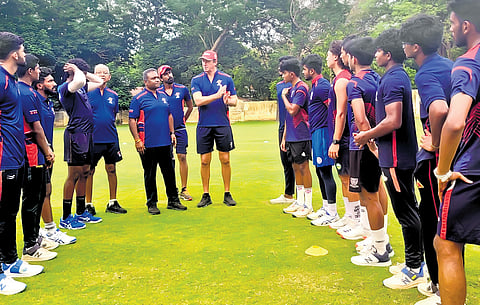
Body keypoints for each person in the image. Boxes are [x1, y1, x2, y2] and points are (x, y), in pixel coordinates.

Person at [354, 29, 424, 288]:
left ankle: (415, 268)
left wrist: (365, 135)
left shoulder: (394, 79)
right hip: (394, 155)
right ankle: (416, 262)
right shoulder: (394, 77)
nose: (375, 55)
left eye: (379, 51)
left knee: (407, 213)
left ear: (387, 54)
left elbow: (393, 120)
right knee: (409, 210)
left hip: (396, 158)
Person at [400, 14, 452, 304]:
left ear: (415, 47)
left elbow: (440, 110)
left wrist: (434, 142)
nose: (403, 47)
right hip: (460, 157)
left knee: (433, 225)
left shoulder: (427, 72)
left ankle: (441, 291)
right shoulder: (453, 66)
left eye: (406, 42)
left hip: (436, 163)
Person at [434, 1, 480, 304]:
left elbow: (454, 122)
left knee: (446, 244)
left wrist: (442, 169)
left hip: (472, 168)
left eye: (452, 23)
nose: (451, 30)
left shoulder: (468, 62)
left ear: (465, 25)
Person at [340, 37, 391, 267]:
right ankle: (381, 240)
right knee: (377, 190)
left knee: (367, 196)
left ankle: (380, 250)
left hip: (362, 145)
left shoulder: (355, 83)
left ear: (353, 58)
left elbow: (360, 119)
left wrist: (369, 143)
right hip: (379, 142)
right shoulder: (378, 78)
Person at [0, 31, 41, 295]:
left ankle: (11, 262)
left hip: (15, 157)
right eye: (23, 49)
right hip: (3, 159)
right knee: (1, 217)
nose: (25, 53)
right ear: (15, 53)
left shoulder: (10, 80)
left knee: (8, 213)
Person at [17, 54, 58, 262]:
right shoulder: (25, 93)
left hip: (36, 151)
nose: (40, 70)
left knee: (39, 194)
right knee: (32, 198)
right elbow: (36, 127)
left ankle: (35, 237)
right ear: (31, 71)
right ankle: (30, 246)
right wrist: (48, 150)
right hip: (31, 151)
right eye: (38, 67)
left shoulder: (28, 91)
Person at [129, 68, 186, 215]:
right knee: (150, 173)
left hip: (165, 142)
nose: (157, 80)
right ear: (145, 81)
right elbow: (132, 120)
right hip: (147, 143)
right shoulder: (139, 98)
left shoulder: (163, 95)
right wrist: (137, 140)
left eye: (157, 78)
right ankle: (152, 203)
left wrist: (172, 133)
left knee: (169, 172)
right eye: (153, 78)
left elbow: (169, 115)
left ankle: (173, 200)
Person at [33, 67, 77, 245]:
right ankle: (49, 230)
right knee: (43, 191)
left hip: (46, 152)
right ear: (39, 85)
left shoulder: (48, 103)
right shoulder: (33, 100)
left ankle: (41, 230)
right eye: (50, 81)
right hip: (36, 154)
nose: (54, 84)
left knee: (44, 191)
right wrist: (45, 151)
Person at [58, 58, 104, 229]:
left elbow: (99, 81)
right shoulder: (66, 89)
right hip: (75, 135)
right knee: (74, 175)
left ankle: (80, 212)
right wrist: (77, 70)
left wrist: (82, 70)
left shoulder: (81, 88)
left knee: (86, 172)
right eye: (82, 73)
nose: (84, 77)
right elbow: (78, 80)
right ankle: (66, 216)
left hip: (88, 134)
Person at [190, 50, 238, 208]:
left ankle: (227, 193)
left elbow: (234, 100)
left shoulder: (226, 78)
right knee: (204, 161)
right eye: (203, 60)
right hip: (204, 125)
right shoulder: (196, 80)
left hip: (222, 123)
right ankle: (206, 194)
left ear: (215, 62)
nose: (205, 63)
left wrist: (227, 100)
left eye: (208, 61)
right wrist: (217, 96)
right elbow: (198, 100)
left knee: (225, 159)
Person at [323, 40, 362, 232]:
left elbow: (341, 113)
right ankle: (349, 216)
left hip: (345, 139)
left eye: (328, 54)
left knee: (348, 179)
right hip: (339, 137)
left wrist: (336, 141)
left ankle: (356, 220)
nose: (326, 58)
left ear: (336, 57)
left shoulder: (343, 80)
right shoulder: (337, 79)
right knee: (343, 177)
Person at [299, 54, 338, 222]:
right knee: (319, 170)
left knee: (326, 171)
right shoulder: (314, 86)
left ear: (312, 70)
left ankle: (333, 212)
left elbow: (332, 109)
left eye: (305, 69)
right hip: (315, 132)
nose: (303, 72)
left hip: (323, 132)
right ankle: (325, 206)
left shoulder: (322, 86)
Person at [85, 64, 127, 215]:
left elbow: (113, 115)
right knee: (89, 171)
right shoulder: (87, 92)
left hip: (110, 138)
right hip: (92, 138)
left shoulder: (113, 95)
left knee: (112, 169)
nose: (102, 75)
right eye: (98, 72)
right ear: (92, 75)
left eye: (105, 73)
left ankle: (112, 202)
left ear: (109, 77)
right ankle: (88, 204)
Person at [278, 58, 313, 217]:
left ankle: (308, 204)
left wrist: (284, 96)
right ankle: (299, 201)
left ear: (291, 74)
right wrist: (284, 137)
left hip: (301, 135)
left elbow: (292, 110)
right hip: (291, 136)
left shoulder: (301, 89)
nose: (282, 76)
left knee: (304, 167)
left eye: (284, 73)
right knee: (295, 166)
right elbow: (287, 117)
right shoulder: (292, 89)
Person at [158, 64, 194, 201]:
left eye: (170, 73)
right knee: (168, 160)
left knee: (182, 157)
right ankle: (172, 189)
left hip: (180, 129)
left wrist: (183, 119)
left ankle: (184, 189)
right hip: (164, 131)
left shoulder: (182, 89)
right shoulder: (158, 91)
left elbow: (190, 106)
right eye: (166, 74)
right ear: (161, 78)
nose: (169, 75)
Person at [270, 56, 296, 204]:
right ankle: (289, 194)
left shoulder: (297, 87)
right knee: (285, 161)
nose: (280, 71)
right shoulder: (280, 86)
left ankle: (300, 196)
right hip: (282, 127)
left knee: (297, 163)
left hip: (294, 128)